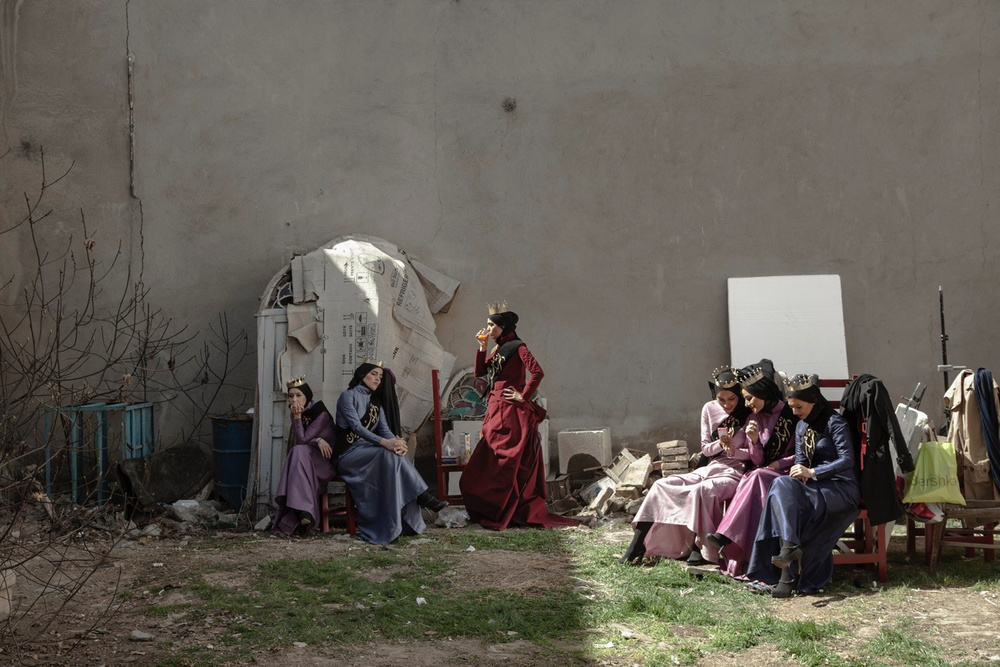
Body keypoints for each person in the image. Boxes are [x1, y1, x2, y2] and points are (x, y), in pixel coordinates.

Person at [459, 303, 579, 530]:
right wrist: (482, 347)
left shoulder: (518, 347)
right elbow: (480, 372)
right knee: (489, 458)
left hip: (509, 411)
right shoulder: (498, 348)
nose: (488, 328)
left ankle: (507, 508)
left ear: (503, 326)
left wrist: (523, 396)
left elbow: (537, 372)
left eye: (491, 325)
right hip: (495, 408)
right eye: (487, 324)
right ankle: (493, 507)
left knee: (507, 461)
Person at [619, 366, 752, 565]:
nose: (727, 404)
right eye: (721, 399)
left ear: (739, 394)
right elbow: (705, 449)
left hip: (735, 471)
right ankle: (637, 544)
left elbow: (754, 454)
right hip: (710, 467)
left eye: (732, 399)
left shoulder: (749, 412)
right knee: (661, 485)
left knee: (702, 490)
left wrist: (733, 450)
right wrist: (720, 444)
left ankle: (701, 547)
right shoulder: (709, 409)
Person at [746, 374, 860, 598]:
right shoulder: (800, 427)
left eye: (799, 406)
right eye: (791, 406)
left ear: (814, 401)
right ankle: (789, 547)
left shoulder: (834, 422)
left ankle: (786, 576)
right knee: (781, 485)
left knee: (782, 496)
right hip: (814, 485)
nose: (795, 411)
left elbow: (847, 460)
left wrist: (813, 472)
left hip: (840, 487)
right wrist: (800, 475)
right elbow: (800, 461)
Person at [334, 361, 447, 544]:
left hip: (368, 452)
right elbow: (356, 427)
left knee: (395, 453)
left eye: (380, 376)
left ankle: (410, 510)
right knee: (387, 453)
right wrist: (385, 443)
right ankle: (422, 495)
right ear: (362, 375)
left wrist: (399, 443)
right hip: (349, 454)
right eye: (374, 374)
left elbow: (385, 430)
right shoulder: (347, 396)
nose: (378, 379)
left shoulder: (375, 402)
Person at [706, 366, 796, 577]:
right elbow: (757, 460)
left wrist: (778, 464)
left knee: (755, 476)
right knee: (751, 477)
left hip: (786, 473)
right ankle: (742, 553)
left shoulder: (791, 414)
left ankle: (726, 535)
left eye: (749, 399)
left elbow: (801, 454)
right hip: (761, 473)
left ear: (762, 393)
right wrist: (754, 442)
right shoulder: (755, 418)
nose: (746, 404)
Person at [272, 377, 337, 536]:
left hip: (324, 464)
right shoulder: (297, 412)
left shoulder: (320, 413)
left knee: (298, 451)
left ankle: (300, 510)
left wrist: (297, 419)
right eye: (291, 396)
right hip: (305, 460)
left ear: (307, 396)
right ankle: (303, 511)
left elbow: (302, 440)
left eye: (298, 395)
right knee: (298, 452)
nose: (294, 400)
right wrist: (317, 440)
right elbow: (303, 442)